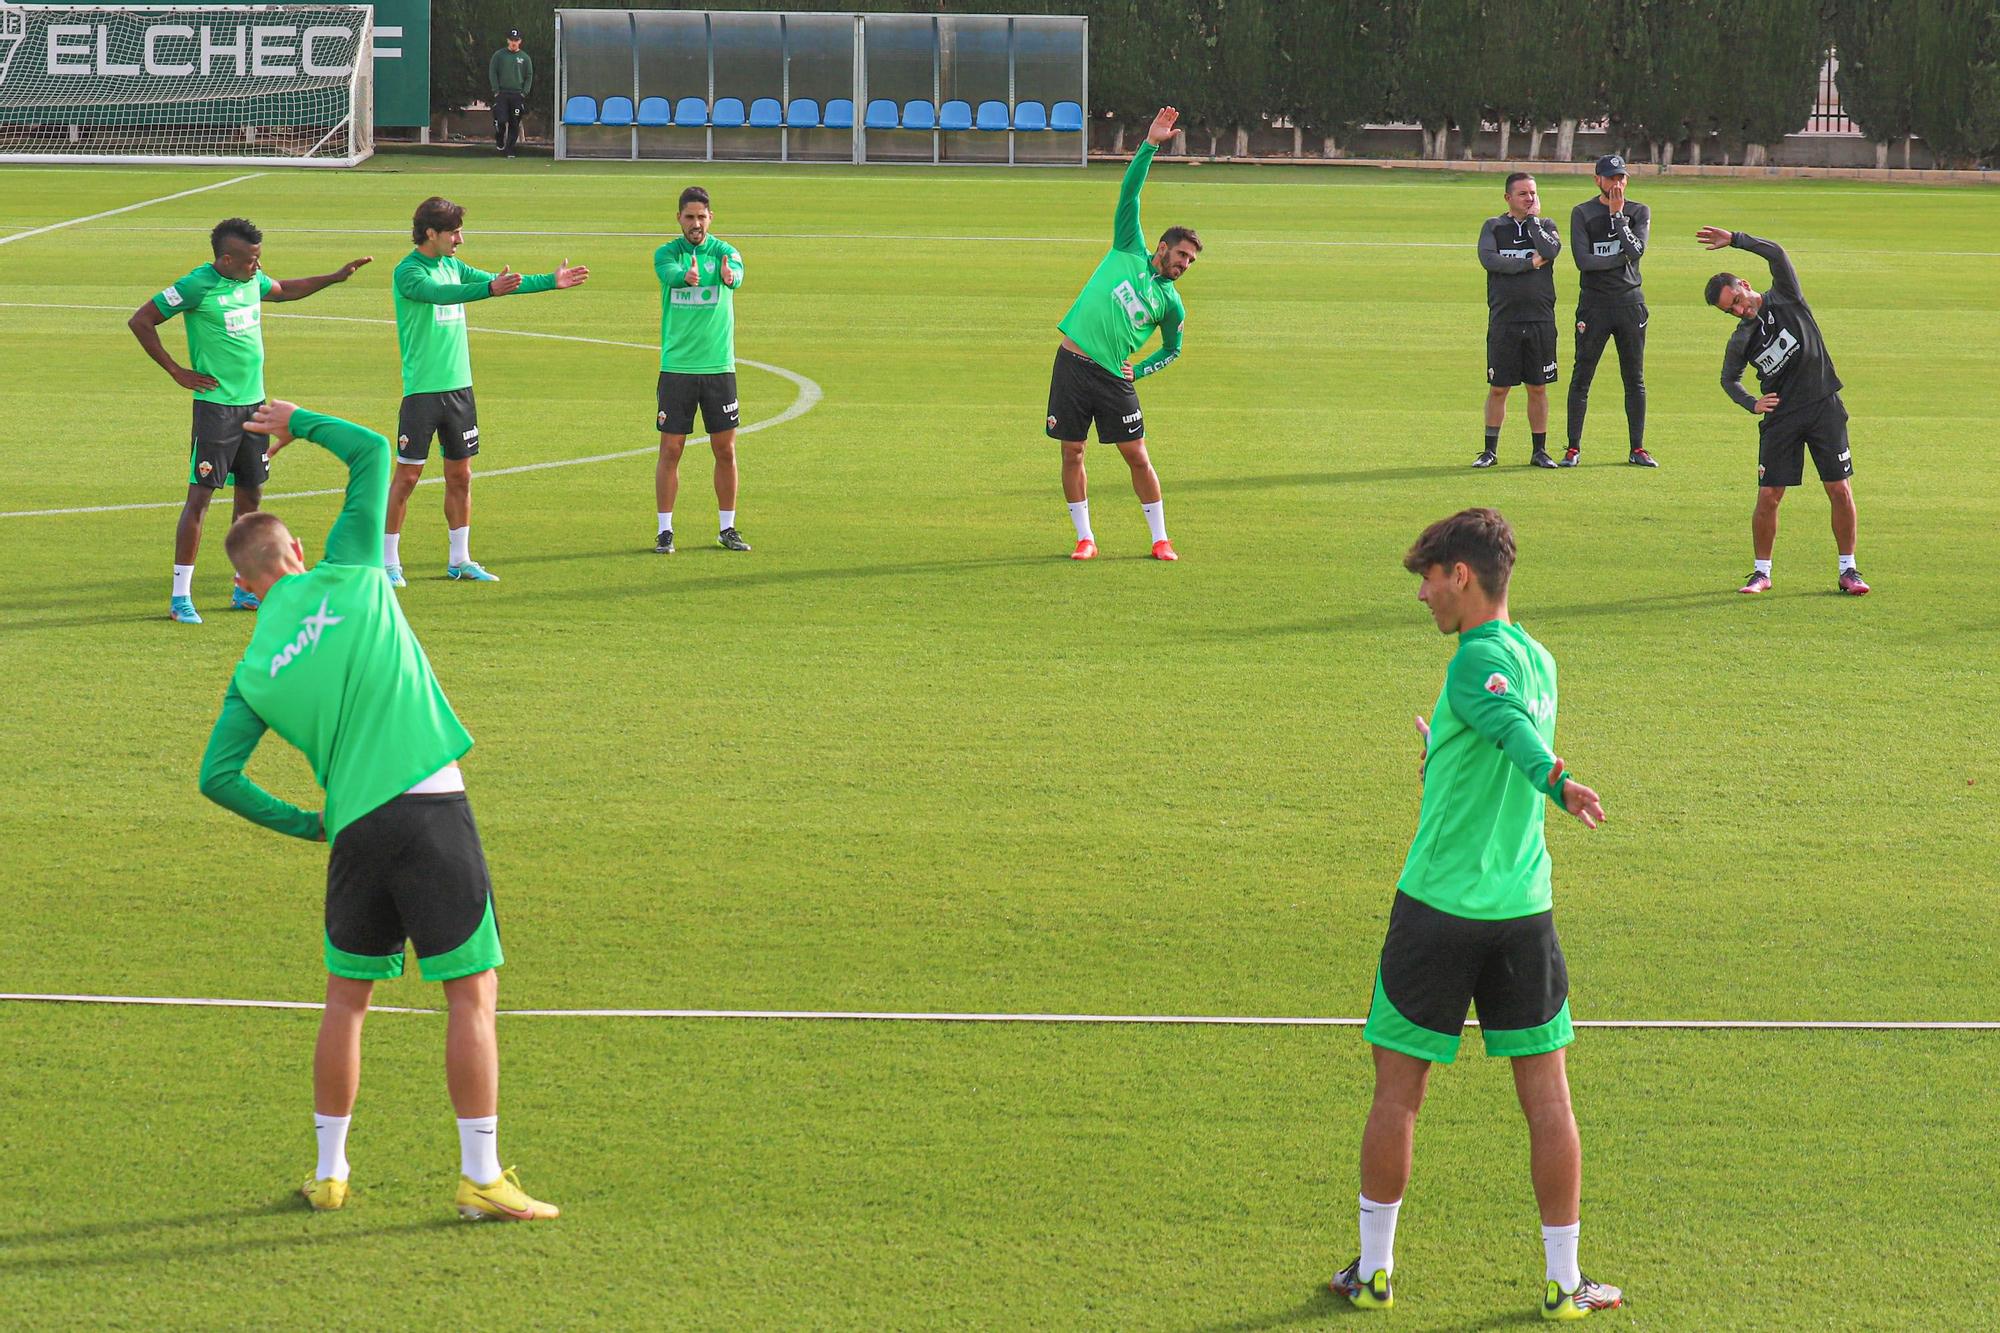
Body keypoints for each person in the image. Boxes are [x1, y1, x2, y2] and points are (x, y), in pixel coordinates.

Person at [198, 398, 557, 1223]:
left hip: (354, 829)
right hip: (428, 805)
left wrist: (312, 822)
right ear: (294, 549)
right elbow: (370, 454)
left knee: (345, 999)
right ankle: (479, 1174)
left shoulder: (254, 670)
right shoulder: (349, 569)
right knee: (471, 992)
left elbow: (217, 777)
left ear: (246, 586)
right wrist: (298, 423)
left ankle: (329, 1171)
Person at [1330, 508, 1623, 1321]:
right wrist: (1440, 761)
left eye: (1429, 576)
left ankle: (1376, 1271)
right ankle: (1566, 1285)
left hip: (1436, 911)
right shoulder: (1540, 658)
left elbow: (1509, 730)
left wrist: (1559, 780)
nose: (1423, 592)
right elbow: (1494, 746)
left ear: (1463, 574)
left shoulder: (1476, 661)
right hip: (1523, 910)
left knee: (1397, 1094)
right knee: (1549, 1101)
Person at [128, 218, 369, 623]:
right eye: (252, 259)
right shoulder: (195, 286)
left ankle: (244, 587)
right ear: (227, 259)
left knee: (251, 496)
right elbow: (141, 320)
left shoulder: (251, 281)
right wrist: (176, 371)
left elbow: (285, 290)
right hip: (217, 409)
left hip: (254, 407)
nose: (259, 266)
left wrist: (334, 277)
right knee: (200, 498)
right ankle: (180, 596)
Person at [388, 196, 588, 585]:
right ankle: (388, 562)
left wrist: (550, 281)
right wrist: (489, 291)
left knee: (460, 476)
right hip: (423, 392)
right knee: (408, 477)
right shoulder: (408, 272)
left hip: (460, 389)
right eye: (454, 232)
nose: (460, 239)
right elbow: (440, 294)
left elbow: (495, 282)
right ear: (431, 233)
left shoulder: (452, 265)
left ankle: (460, 560)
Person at [1047, 105, 1198, 561]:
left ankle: (1160, 538)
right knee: (1073, 451)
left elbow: (1174, 348)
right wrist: (1150, 144)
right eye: (1182, 255)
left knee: (1137, 456)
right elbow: (1130, 193)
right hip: (1072, 365)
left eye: (1191, 261)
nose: (1184, 265)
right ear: (1163, 247)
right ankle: (1085, 538)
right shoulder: (1128, 247)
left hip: (1114, 378)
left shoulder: (1171, 303)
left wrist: (1141, 371)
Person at [1700, 226, 1868, 596]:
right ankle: (1761, 573)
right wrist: (1752, 403)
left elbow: (1775, 253)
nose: (1740, 310)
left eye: (1739, 300)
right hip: (1782, 419)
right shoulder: (1742, 338)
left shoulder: (1786, 296)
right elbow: (1729, 380)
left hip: (1824, 406)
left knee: (1839, 488)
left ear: (1745, 283)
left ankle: (1849, 570)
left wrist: (1737, 239)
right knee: (1769, 495)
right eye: (1731, 311)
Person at [652, 186, 750, 554]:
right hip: (677, 367)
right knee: (671, 449)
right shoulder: (667, 253)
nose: (696, 224)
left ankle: (727, 527)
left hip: (719, 367)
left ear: (711, 218)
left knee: (725, 450)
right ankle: (665, 530)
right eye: (689, 217)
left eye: (702, 217)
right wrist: (686, 277)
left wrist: (729, 277)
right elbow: (672, 275)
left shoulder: (726, 252)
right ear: (679, 218)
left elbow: (736, 275)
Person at [1564, 156, 1656, 468]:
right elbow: (1584, 261)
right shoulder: (1583, 213)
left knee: (1635, 379)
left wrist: (1618, 220)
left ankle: (1638, 448)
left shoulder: (1638, 211)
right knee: (1582, 377)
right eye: (1610, 178)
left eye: (1621, 178)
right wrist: (1622, 259)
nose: (1616, 183)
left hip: (1630, 304)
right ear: (1597, 180)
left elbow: (1637, 251)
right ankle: (1573, 448)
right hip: (1594, 305)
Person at [1476, 174, 1562, 469]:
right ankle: (1489, 451)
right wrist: (1528, 264)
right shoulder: (1493, 227)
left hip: (1540, 319)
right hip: (1504, 320)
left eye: (1533, 193)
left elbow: (1551, 252)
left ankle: (1540, 451)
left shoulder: (1546, 226)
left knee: (1538, 387)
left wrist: (1534, 222)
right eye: (1523, 194)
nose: (1530, 198)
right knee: (1499, 387)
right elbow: (1490, 261)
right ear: (1508, 198)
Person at [489, 28, 532, 158]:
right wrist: (496, 90)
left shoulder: (524, 58)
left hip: (517, 95)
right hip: (502, 93)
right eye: (512, 40)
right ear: (508, 40)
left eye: (516, 40)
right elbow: (492, 71)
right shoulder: (499, 55)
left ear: (520, 41)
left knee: (514, 122)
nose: (514, 43)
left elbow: (529, 75)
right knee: (501, 120)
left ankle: (510, 149)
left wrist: (524, 92)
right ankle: (499, 138)